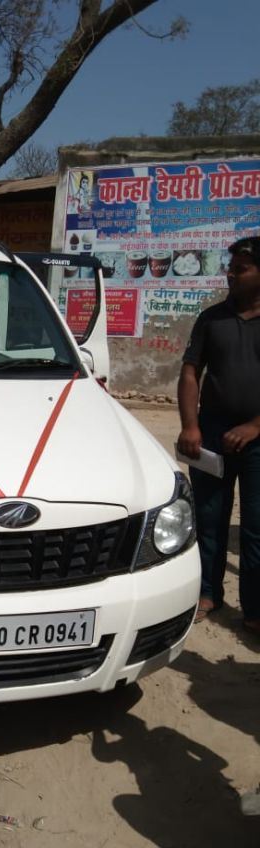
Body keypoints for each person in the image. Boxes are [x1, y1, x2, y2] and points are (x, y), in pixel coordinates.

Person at [176, 235, 260, 632]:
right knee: (208, 520)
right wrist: (190, 425)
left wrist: (254, 426)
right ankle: (208, 593)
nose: (230, 274)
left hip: (259, 442)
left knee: (256, 528)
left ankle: (254, 609)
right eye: (230, 268)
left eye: (241, 269)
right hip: (210, 437)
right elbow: (191, 371)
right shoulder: (212, 319)